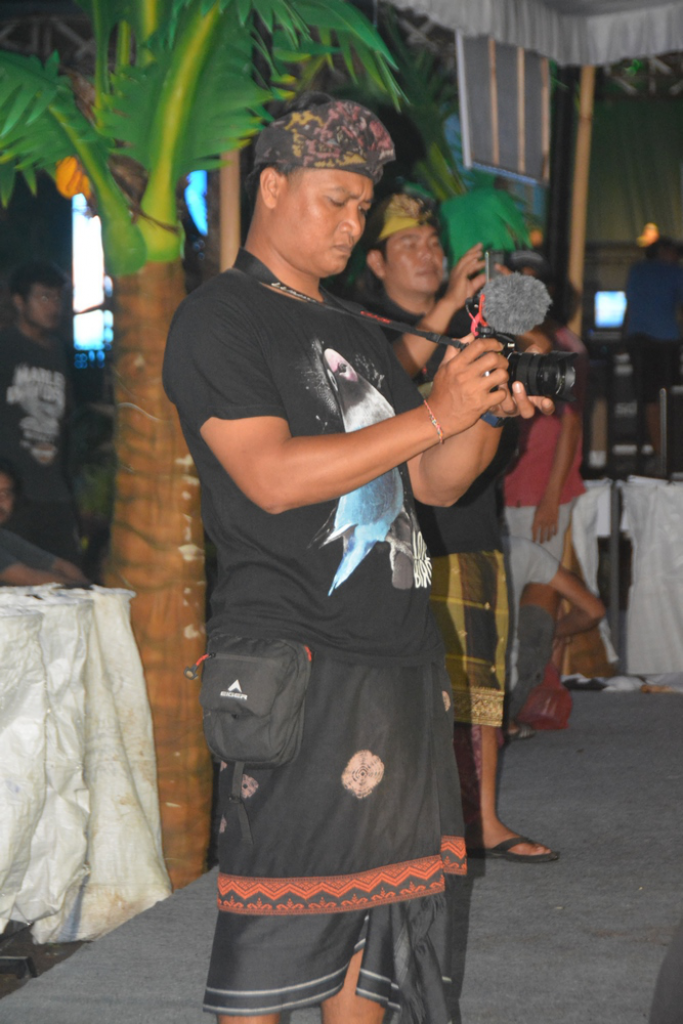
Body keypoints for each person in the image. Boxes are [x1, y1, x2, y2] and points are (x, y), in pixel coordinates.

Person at [163, 96, 553, 1024]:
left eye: (362, 207)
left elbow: (435, 482)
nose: (352, 224)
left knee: (374, 939)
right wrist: (435, 412)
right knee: (272, 936)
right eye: (335, 200)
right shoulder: (218, 319)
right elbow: (268, 477)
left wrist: (478, 413)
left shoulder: (352, 328)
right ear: (271, 186)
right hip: (297, 657)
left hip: (396, 659)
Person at [361, 191, 558, 865]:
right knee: (399, 688)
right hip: (391, 531)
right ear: (375, 261)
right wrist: (448, 305)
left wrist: (510, 337)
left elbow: (531, 357)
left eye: (432, 242)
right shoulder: (360, 325)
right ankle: (408, 823)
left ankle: (484, 820)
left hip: (468, 523)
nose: (427, 252)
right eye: (409, 244)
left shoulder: (472, 323)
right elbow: (387, 376)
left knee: (477, 680)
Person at [0, 260, 81, 564]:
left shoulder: (60, 351)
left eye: (58, 297)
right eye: (44, 297)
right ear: (19, 301)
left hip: (54, 491)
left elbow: (66, 417)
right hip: (13, 495)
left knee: (69, 574)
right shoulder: (6, 347)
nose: (53, 306)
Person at [504, 535, 605, 735]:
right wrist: (554, 632)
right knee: (546, 586)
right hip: (497, 696)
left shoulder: (438, 547)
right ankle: (505, 721)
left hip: (444, 695)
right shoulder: (519, 548)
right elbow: (593, 611)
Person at [624, 236, 683, 461]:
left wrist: (623, 337)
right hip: (665, 341)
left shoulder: (637, 270)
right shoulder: (675, 272)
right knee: (670, 396)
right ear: (663, 251)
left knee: (649, 398)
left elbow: (629, 306)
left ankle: (659, 451)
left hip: (638, 341)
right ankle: (671, 451)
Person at [0, 459, 88, 586]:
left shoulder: (5, 538)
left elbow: (61, 566)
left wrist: (87, 588)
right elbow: (28, 577)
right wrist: (86, 590)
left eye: (5, 494)